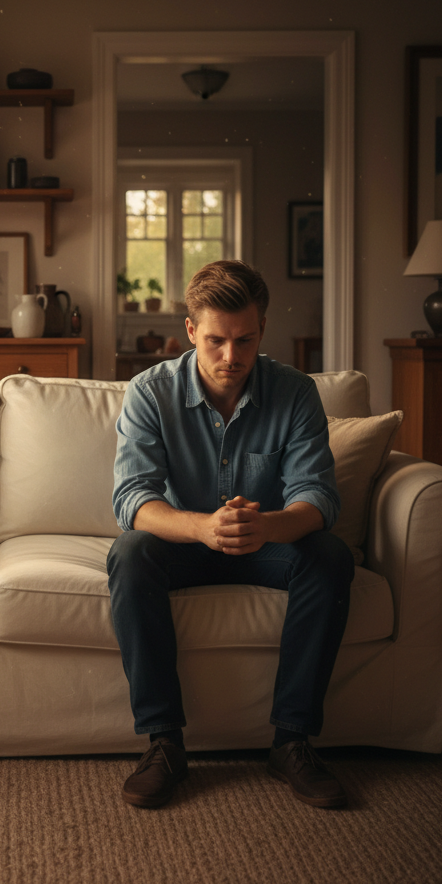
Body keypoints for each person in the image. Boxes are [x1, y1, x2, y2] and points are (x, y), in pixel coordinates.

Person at [107, 260, 354, 810]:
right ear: (191, 331)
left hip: (267, 544)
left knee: (330, 556)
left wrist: (264, 526)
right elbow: (132, 500)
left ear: (262, 330)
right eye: (216, 340)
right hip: (184, 545)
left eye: (244, 340)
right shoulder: (151, 393)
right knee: (129, 554)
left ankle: (292, 742)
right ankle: (164, 743)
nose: (231, 358)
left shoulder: (296, 393)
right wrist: (202, 527)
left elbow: (317, 499)